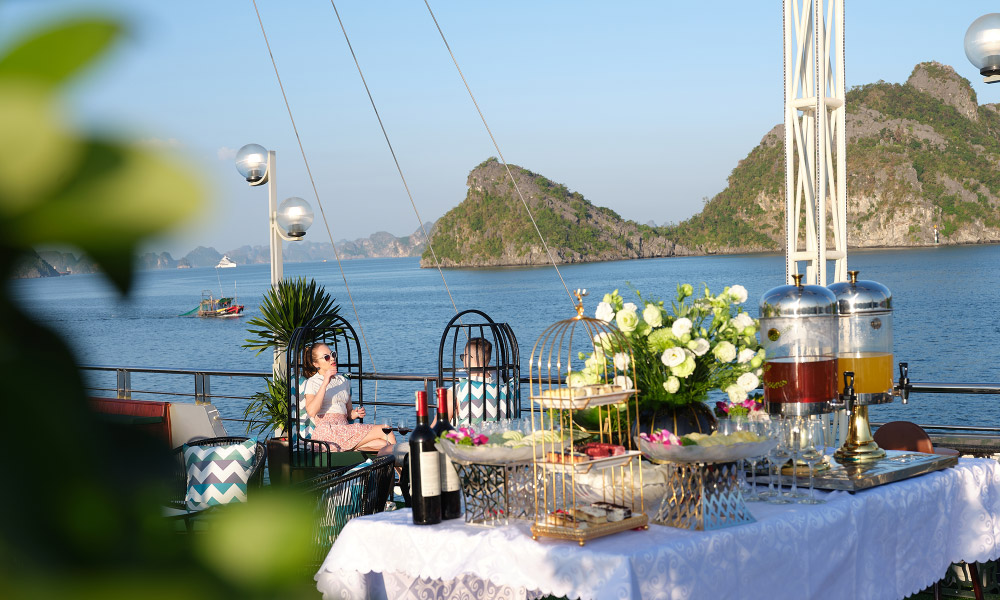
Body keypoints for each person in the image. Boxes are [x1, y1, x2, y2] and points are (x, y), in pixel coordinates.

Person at [302, 343, 395, 452]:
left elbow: (348, 413)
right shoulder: (313, 382)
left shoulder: (343, 381)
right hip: (328, 432)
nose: (332, 358)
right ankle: (404, 468)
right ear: (316, 364)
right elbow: (312, 411)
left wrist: (356, 413)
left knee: (384, 444)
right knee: (386, 430)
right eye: (326, 357)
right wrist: (325, 383)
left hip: (345, 430)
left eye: (333, 354)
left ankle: (353, 448)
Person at [446, 337, 508, 426]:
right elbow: (491, 368)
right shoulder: (498, 378)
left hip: (466, 438)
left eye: (463, 357)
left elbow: (438, 427)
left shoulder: (456, 391)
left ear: (468, 359)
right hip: (496, 433)